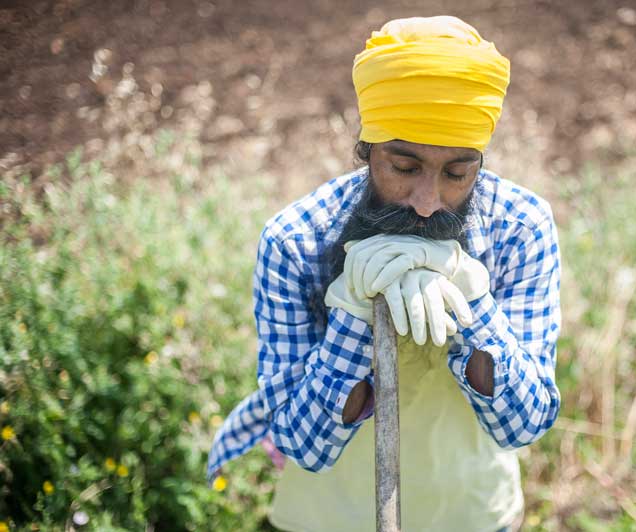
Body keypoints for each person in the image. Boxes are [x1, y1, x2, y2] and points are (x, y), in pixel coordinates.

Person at [208, 15, 562, 532]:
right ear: (367, 148)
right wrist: (353, 309)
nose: (426, 203)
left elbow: (523, 425)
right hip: (327, 519)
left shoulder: (520, 227)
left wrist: (474, 304)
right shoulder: (295, 240)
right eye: (405, 168)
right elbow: (305, 446)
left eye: (457, 174)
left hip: (472, 515)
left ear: (479, 165)